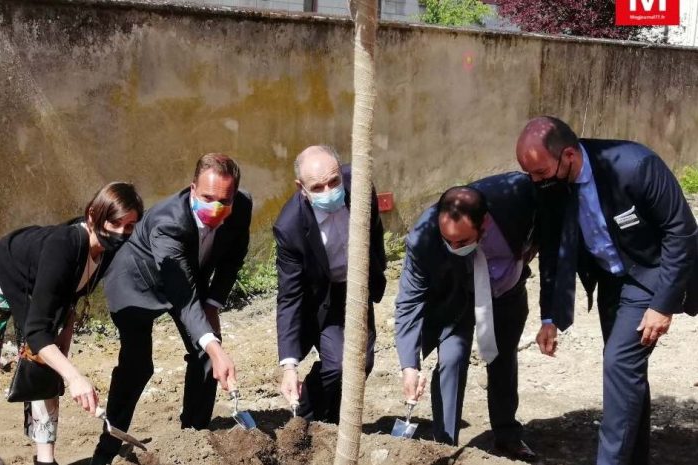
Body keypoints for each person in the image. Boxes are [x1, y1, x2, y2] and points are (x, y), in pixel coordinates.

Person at [516, 116, 698, 465]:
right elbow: (554, 248)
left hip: (650, 275)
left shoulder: (635, 166)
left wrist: (663, 304)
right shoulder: (551, 186)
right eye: (530, 175)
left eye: (539, 172)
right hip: (611, 281)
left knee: (617, 363)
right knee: (626, 374)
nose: (534, 182)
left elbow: (682, 231)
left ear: (568, 155)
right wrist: (550, 316)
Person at [91, 154, 252, 465]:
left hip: (189, 278)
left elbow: (233, 258)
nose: (216, 207)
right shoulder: (169, 222)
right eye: (207, 198)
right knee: (138, 367)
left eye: (225, 200)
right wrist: (216, 345)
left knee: (205, 354)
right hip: (137, 284)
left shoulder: (241, 207)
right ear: (192, 189)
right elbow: (183, 297)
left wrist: (214, 303)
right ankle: (106, 450)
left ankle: (193, 437)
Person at [0, 182, 144, 465]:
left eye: (130, 226)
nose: (121, 232)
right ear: (93, 215)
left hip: (37, 290)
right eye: (115, 222)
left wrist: (66, 331)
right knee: (45, 353)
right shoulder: (64, 246)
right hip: (2, 277)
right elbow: (37, 332)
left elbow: (72, 291)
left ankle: (45, 460)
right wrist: (74, 377)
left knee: (45, 367)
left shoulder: (106, 249)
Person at [394, 174, 537, 461]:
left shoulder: (518, 199)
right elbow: (409, 300)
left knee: (503, 358)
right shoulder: (423, 237)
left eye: (462, 241)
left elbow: (550, 224)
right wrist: (409, 364)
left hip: (505, 292)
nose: (454, 247)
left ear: (483, 224)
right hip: (455, 298)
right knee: (451, 360)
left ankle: (507, 436)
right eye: (448, 241)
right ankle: (445, 444)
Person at [274, 145, 387, 422]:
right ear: (302, 187)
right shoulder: (290, 227)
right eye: (318, 187)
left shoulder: (360, 185)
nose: (329, 192)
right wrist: (289, 366)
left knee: (362, 363)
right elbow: (289, 295)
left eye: (334, 182)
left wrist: (378, 266)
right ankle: (313, 413)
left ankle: (336, 416)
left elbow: (374, 229)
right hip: (324, 296)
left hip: (357, 285)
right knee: (338, 365)